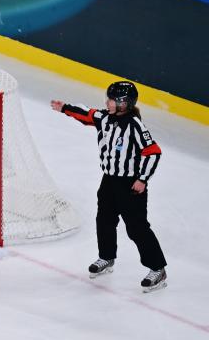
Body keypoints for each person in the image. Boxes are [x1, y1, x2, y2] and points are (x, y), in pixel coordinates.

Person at [51, 81, 167, 292]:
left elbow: (153, 151)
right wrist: (64, 108)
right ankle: (106, 257)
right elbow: (87, 114)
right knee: (104, 220)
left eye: (111, 100)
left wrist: (142, 179)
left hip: (130, 184)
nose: (107, 102)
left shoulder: (134, 125)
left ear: (124, 104)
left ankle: (157, 268)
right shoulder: (104, 118)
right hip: (109, 181)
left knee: (136, 228)